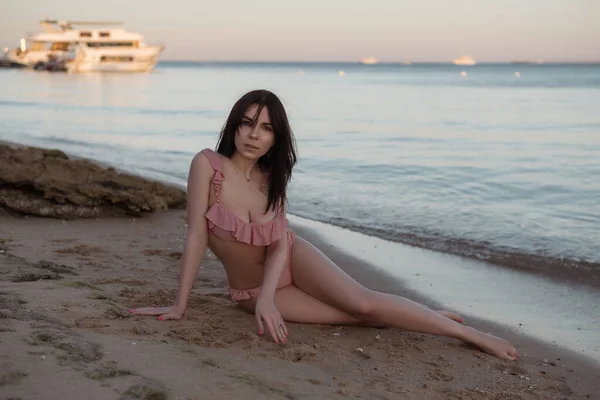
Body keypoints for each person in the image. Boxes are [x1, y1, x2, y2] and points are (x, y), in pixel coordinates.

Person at [129, 89, 519, 361]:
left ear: (275, 137)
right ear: (234, 126)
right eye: (247, 123)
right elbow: (197, 235)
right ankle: (425, 315)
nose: (253, 135)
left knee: (362, 301)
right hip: (249, 291)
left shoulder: (271, 177)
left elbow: (280, 241)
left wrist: (270, 294)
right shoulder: (207, 166)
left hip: (292, 259)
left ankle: (470, 334)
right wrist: (182, 304)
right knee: (358, 317)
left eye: (265, 128)